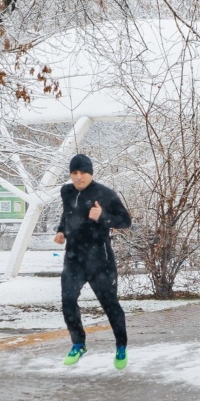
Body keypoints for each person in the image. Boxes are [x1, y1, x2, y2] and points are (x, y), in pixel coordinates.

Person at [55, 154, 133, 369]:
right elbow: (67, 215)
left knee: (110, 304)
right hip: (73, 259)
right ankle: (78, 344)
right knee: (68, 300)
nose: (78, 177)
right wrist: (61, 231)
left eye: (83, 173)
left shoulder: (105, 193)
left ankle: (121, 346)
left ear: (91, 173)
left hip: (100, 261)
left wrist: (102, 216)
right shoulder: (66, 191)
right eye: (74, 173)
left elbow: (125, 221)